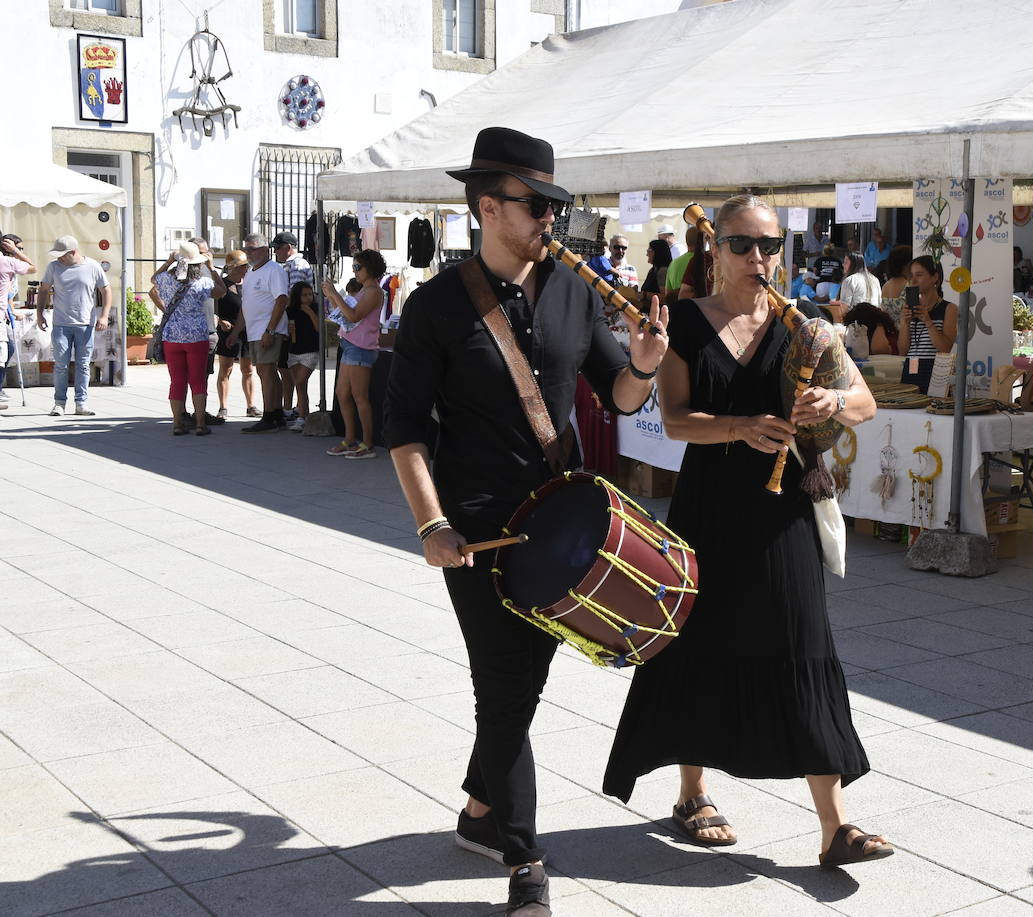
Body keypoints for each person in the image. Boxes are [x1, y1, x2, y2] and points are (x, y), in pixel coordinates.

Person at [384, 126, 665, 917]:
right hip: (476, 530)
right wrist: (429, 524)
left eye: (555, 204)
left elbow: (621, 395)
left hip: (563, 518)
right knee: (502, 684)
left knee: (526, 681)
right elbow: (403, 428)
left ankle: (479, 810)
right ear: (486, 206)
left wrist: (643, 362)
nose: (551, 217)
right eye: (534, 204)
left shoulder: (574, 290)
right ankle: (524, 858)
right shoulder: (437, 305)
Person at [603, 193, 890, 869]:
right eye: (741, 245)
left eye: (768, 246)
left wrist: (833, 401)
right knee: (696, 641)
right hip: (708, 507)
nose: (757, 258)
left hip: (783, 508)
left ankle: (835, 825)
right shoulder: (687, 325)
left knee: (802, 641)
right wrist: (738, 427)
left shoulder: (805, 326)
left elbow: (865, 402)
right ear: (716, 249)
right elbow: (673, 419)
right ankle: (692, 792)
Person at [151, 240, 225, 435]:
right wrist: (211, 268)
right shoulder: (201, 282)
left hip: (172, 337)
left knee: (177, 381)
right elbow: (221, 291)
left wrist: (168, 262)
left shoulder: (166, 279)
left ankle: (177, 423)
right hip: (197, 336)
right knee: (198, 381)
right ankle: (200, 424)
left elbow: (153, 279)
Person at [321, 249, 386, 459]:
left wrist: (335, 295)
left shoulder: (374, 292)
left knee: (359, 397)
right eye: (354, 267)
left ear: (370, 268)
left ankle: (367, 444)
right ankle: (350, 439)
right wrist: (332, 296)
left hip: (361, 348)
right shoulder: (364, 290)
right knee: (343, 394)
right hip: (351, 345)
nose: (355, 271)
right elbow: (345, 316)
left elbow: (354, 315)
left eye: (358, 267)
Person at [36, 235, 109, 417]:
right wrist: (40, 313)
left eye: (62, 255)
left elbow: (106, 289)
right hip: (61, 323)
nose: (59, 258)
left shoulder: (92, 266)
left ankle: (81, 403)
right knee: (61, 365)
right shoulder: (53, 267)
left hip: (85, 324)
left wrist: (104, 315)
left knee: (83, 365)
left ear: (73, 252)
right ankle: (59, 403)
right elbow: (44, 289)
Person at [229, 233, 290, 432]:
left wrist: (270, 330)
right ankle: (276, 414)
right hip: (255, 331)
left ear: (265, 249)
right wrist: (235, 331)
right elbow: (245, 306)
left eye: (252, 248)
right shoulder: (251, 272)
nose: (248, 252)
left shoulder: (274, 270)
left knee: (266, 371)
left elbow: (281, 300)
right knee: (267, 372)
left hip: (268, 329)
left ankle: (270, 415)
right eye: (246, 248)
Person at [898, 255, 957, 392]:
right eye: (911, 275)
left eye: (919, 275)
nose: (913, 280)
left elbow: (945, 349)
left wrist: (928, 321)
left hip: (936, 370)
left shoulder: (949, 308)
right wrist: (905, 323)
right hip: (911, 368)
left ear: (935, 278)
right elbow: (903, 351)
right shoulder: (910, 308)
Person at [271, 232, 313, 422]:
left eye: (277, 248)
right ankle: (292, 407)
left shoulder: (296, 265)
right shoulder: (293, 264)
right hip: (293, 322)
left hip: (295, 324)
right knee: (287, 369)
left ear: (288, 247)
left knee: (291, 371)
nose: (275, 252)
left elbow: (294, 296)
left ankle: (294, 409)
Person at [213, 250, 258, 419]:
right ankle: (223, 407)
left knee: (248, 369)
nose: (245, 269)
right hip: (227, 330)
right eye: (241, 266)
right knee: (226, 369)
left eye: (246, 266)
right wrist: (219, 321)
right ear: (232, 268)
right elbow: (212, 308)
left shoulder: (249, 283)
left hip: (247, 331)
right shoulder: (221, 284)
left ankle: (251, 405)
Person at [0, 235, 36, 409]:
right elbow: (32, 267)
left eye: (22, 249)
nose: (21, 252)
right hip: (1, 314)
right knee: (5, 350)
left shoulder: (10, 265)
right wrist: (15, 252)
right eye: (18, 248)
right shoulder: (7, 262)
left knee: (8, 349)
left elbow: (8, 294)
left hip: (5, 313)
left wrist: (12, 311)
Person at [283, 280, 321, 432]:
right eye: (304, 295)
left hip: (310, 351)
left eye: (310, 294)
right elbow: (287, 330)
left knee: (300, 381)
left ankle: (301, 416)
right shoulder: (290, 310)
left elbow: (319, 327)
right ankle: (304, 415)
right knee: (300, 385)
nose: (308, 298)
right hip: (294, 350)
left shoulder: (316, 308)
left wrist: (309, 311)